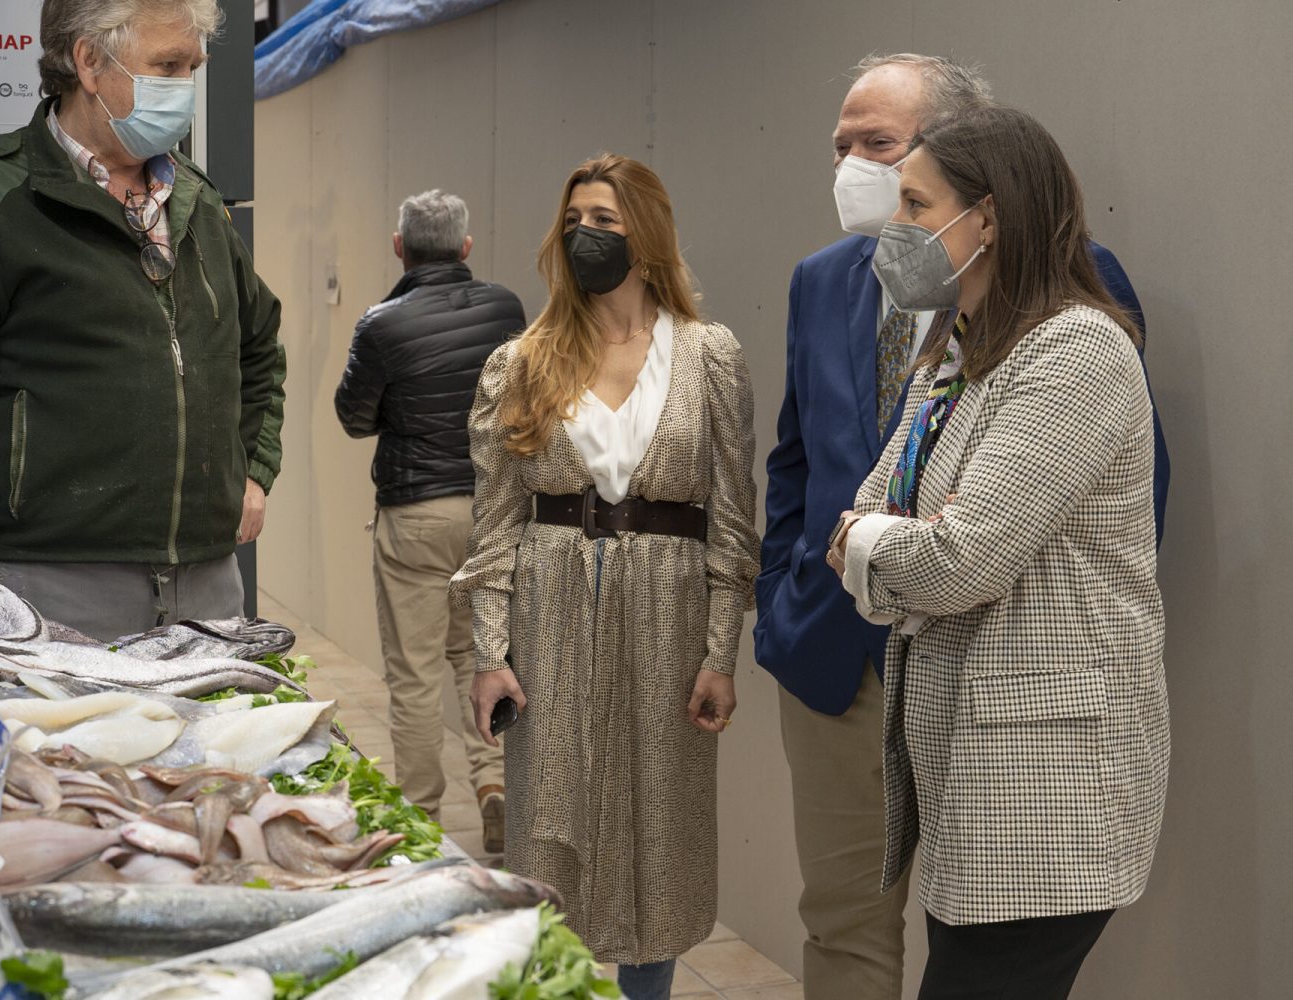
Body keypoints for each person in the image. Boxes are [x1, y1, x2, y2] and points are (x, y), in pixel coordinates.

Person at [753, 53, 1170, 999]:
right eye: (842, 150)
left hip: (1018, 725)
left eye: (901, 180)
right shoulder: (946, 343)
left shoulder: (1069, 328)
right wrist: (791, 589)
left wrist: (888, 544)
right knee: (848, 923)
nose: (857, 183)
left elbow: (964, 554)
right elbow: (828, 481)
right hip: (842, 662)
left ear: (986, 213)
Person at [452, 154, 759, 1000]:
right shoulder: (524, 360)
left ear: (649, 235)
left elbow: (734, 519)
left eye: (607, 221)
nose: (587, 235)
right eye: (576, 219)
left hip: (669, 613)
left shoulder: (709, 356)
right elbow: (495, 523)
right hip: (550, 612)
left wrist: (720, 653)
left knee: (659, 834)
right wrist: (489, 652)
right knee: (550, 824)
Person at [0, 0, 285, 642]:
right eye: (167, 65)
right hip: (50, 585)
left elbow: (259, 345)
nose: (185, 88)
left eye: (193, 68)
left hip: (208, 583)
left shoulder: (198, 202)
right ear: (89, 62)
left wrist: (252, 474)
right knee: (67, 748)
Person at [333, 190, 526, 850]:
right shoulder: (506, 308)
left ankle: (420, 820)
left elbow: (354, 417)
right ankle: (496, 783)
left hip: (415, 514)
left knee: (414, 676)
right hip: (491, 513)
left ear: (400, 247)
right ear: (465, 248)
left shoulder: (381, 324)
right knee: (485, 656)